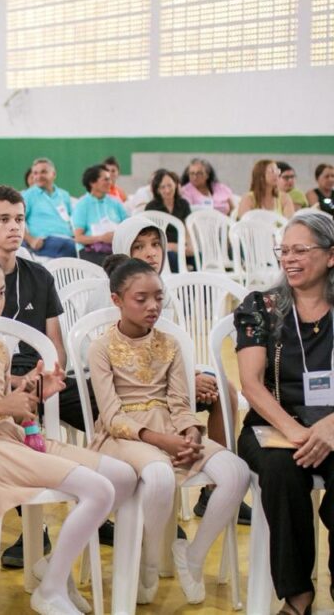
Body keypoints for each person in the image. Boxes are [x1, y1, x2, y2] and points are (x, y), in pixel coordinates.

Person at [0, 243, 137, 615]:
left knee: (122, 476)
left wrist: (35, 389)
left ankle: (50, 566)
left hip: (13, 440)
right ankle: (52, 588)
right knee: (98, 489)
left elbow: (3, 395)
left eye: (1, 293)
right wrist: (1, 408)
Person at [89, 257, 249, 605]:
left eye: (158, 297)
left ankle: (192, 556)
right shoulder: (100, 346)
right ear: (117, 300)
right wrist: (162, 440)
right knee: (160, 475)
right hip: (124, 435)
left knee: (236, 472)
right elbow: (112, 414)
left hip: (171, 427)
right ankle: (150, 561)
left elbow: (179, 402)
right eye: (141, 298)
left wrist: (191, 433)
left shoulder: (171, 343)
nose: (153, 306)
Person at [235, 212, 334, 615]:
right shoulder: (263, 306)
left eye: (301, 250)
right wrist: (296, 431)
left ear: (330, 256)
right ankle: (298, 593)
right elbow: (252, 384)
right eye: (284, 250)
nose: (289, 259)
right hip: (273, 426)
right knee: (280, 472)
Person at [72, 164, 127, 265]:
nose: (110, 182)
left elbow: (128, 225)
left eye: (110, 179)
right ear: (93, 183)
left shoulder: (115, 202)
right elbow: (78, 237)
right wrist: (101, 238)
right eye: (105, 179)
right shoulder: (82, 204)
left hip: (116, 249)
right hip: (91, 251)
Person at [22, 159, 77, 259]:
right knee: (71, 247)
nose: (39, 176)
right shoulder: (27, 196)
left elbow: (72, 220)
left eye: (43, 172)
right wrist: (31, 240)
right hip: (44, 241)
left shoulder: (64, 195)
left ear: (54, 174)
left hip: (69, 238)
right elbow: (16, 221)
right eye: (35, 173)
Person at [144, 169, 192, 272]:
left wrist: (190, 246)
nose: (167, 190)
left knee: (198, 257)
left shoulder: (183, 204)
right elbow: (151, 236)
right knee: (172, 258)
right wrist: (172, 246)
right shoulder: (151, 207)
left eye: (170, 185)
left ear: (175, 185)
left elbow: (188, 229)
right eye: (162, 187)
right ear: (157, 190)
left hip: (183, 247)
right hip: (164, 248)